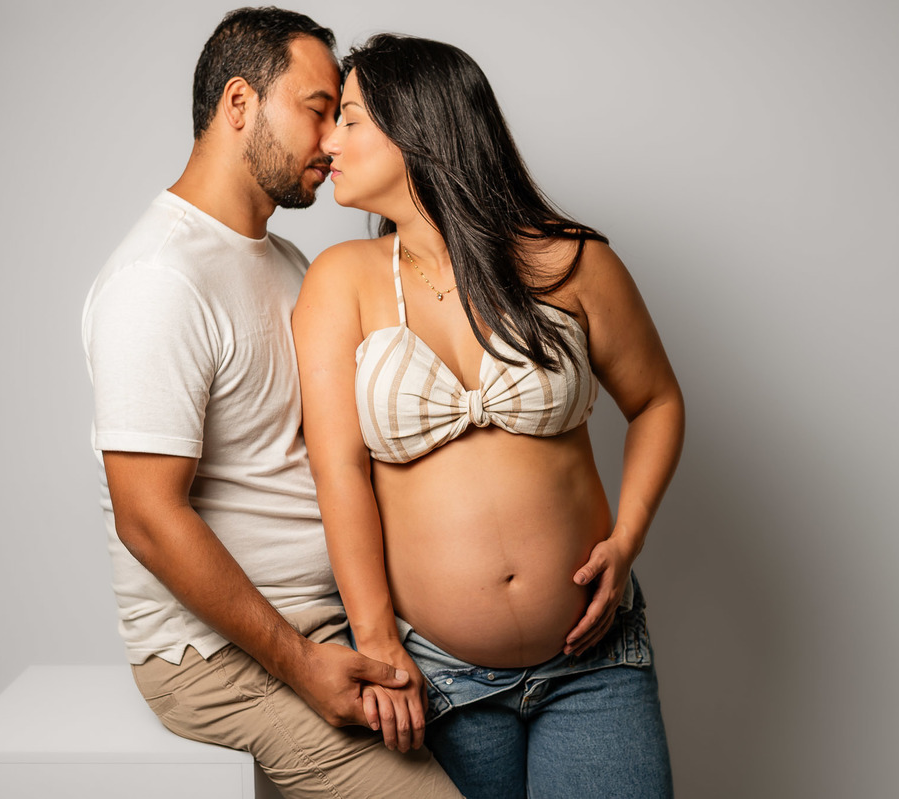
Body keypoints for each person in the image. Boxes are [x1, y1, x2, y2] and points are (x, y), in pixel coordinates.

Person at [292, 33, 685, 798]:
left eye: (349, 118)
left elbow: (658, 401)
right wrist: (376, 643)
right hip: (435, 679)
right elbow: (336, 469)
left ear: (419, 127)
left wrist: (627, 539)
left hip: (594, 663)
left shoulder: (573, 263)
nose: (327, 140)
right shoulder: (342, 282)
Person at [81, 11, 461, 799]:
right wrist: (300, 660)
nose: (332, 139)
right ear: (239, 104)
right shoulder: (159, 279)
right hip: (227, 659)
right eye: (317, 108)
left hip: (333, 623)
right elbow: (146, 515)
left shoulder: (286, 262)